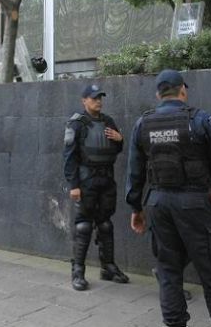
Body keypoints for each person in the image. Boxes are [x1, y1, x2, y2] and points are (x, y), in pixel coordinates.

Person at [126, 69, 211, 327]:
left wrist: (135, 207)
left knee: (168, 272)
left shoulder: (143, 123)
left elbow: (134, 171)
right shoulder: (199, 119)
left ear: (158, 95)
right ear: (183, 91)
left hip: (158, 204)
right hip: (195, 202)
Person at [63, 84, 130, 291]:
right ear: (84, 101)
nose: (98, 101)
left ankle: (108, 267)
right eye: (94, 98)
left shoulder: (108, 121)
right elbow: (69, 157)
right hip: (86, 181)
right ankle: (78, 271)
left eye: (100, 98)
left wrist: (120, 140)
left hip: (107, 180)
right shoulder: (77, 124)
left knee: (105, 224)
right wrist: (74, 185)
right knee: (83, 226)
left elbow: (116, 148)